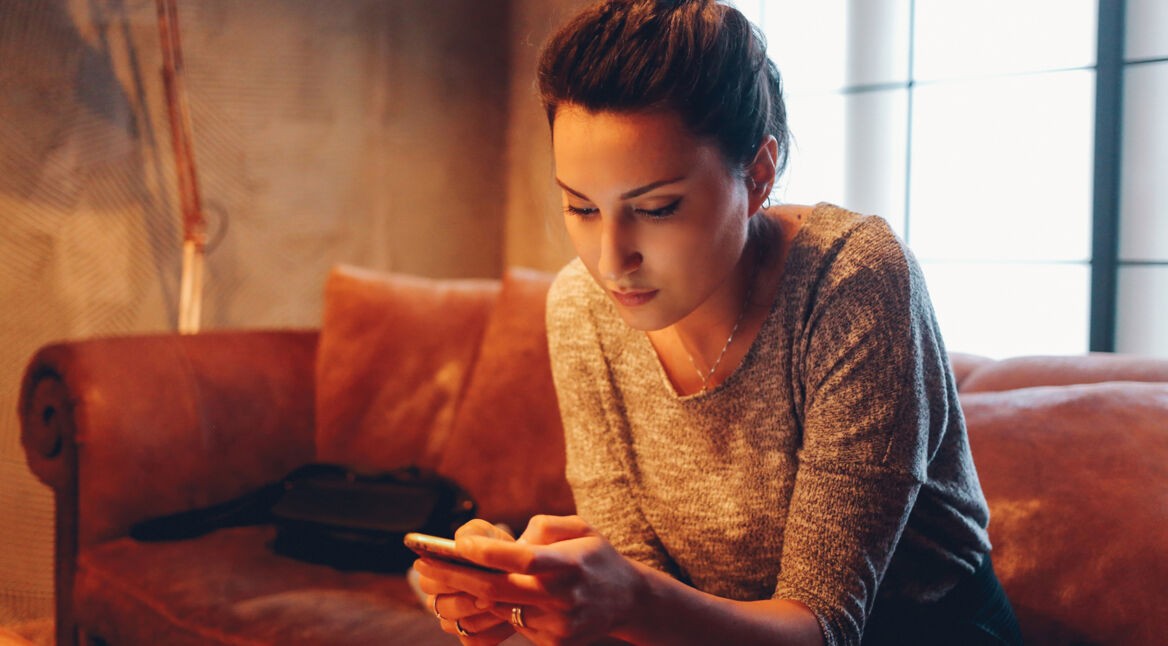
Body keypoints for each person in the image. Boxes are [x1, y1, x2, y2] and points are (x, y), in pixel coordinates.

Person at [413, 1, 1023, 644]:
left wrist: (628, 598)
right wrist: (524, 594)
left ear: (757, 175)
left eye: (656, 208)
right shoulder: (581, 307)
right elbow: (639, 576)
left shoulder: (854, 282)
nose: (611, 260)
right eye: (582, 207)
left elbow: (823, 627)